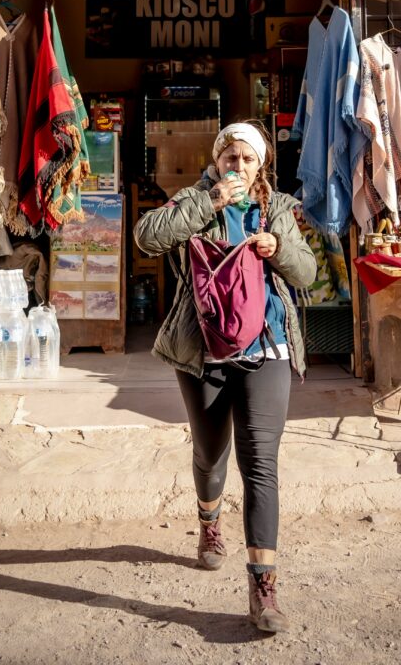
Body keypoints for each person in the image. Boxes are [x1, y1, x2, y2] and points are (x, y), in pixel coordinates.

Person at [133, 120, 317, 634]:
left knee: (260, 461)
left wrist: (276, 247)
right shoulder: (196, 197)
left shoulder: (276, 206)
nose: (238, 166)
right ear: (217, 160)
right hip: (206, 351)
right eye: (230, 157)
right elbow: (147, 237)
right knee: (210, 452)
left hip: (268, 346)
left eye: (247, 159)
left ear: (261, 166)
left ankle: (264, 588)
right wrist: (208, 203)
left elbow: (307, 272)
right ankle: (209, 523)